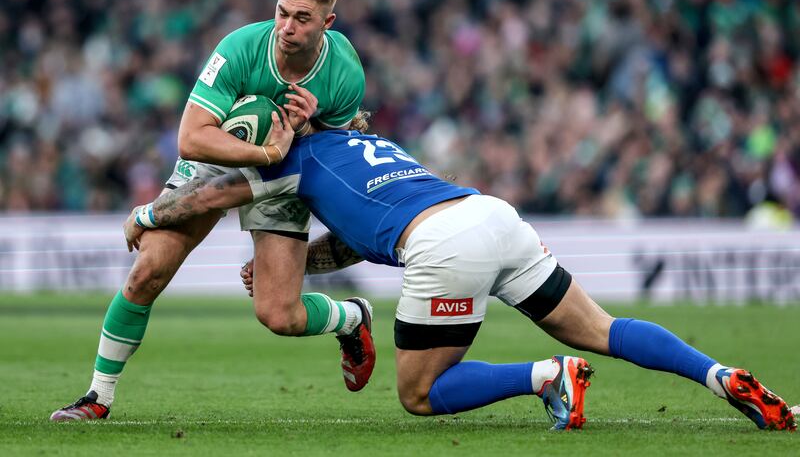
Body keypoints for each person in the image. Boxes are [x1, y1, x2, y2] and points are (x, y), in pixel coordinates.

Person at [122, 126, 796, 431]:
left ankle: (545, 377)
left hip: (445, 245)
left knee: (419, 393)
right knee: (605, 327)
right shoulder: (367, 144)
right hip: (492, 215)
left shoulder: (283, 155)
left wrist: (146, 213)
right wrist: (307, 264)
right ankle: (723, 376)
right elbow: (360, 235)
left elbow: (205, 198)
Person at [50, 0, 375, 422]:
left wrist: (314, 126)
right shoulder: (240, 48)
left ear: (328, 22)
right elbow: (191, 139)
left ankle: (353, 317)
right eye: (282, 12)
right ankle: (97, 396)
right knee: (147, 272)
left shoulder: (344, 72)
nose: (287, 27)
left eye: (303, 18)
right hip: (220, 156)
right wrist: (263, 151)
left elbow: (330, 161)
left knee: (279, 315)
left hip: (287, 170)